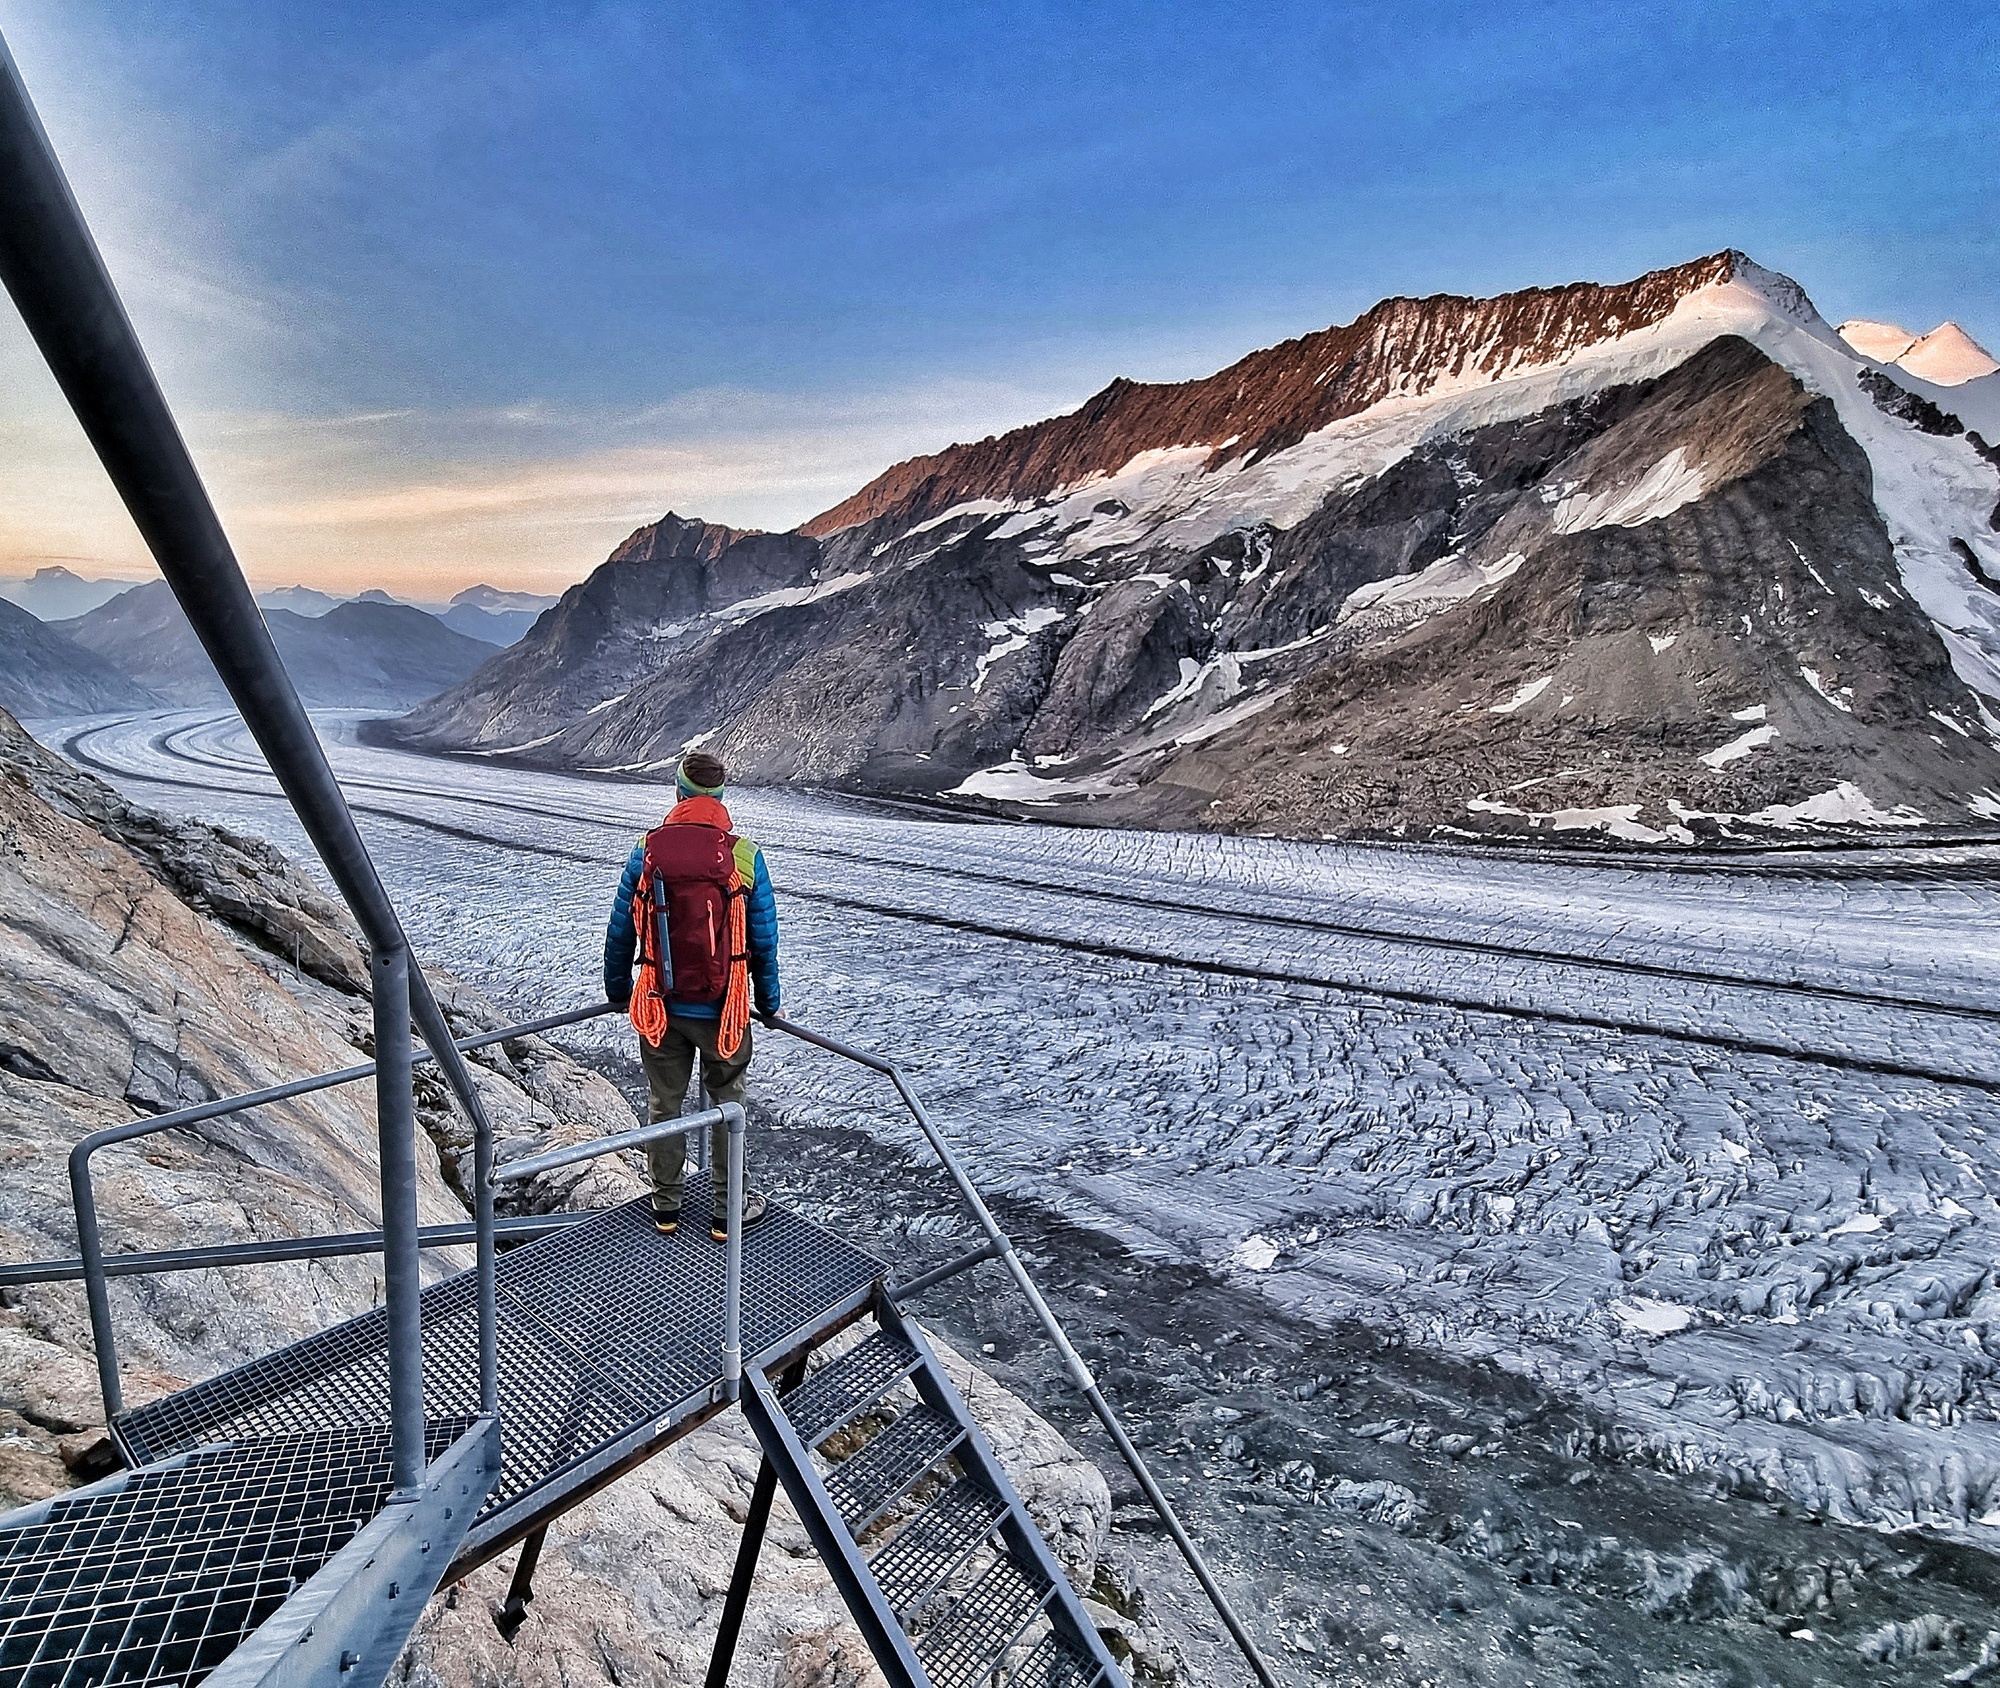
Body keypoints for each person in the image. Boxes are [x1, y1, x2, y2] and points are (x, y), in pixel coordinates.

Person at [603, 750, 780, 1240]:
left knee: (665, 1105)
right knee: (729, 1109)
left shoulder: (647, 849)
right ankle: (727, 1214)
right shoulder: (745, 855)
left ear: (679, 794)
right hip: (724, 1009)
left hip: (660, 1003)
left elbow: (622, 932)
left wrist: (619, 991)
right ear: (721, 799)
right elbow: (763, 940)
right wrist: (768, 1002)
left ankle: (666, 1209)